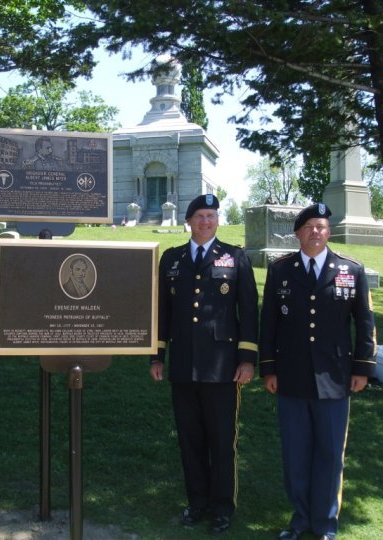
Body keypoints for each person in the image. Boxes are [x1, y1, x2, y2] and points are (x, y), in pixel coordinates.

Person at [259, 203, 376, 540]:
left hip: (335, 378)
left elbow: (365, 323)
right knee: (296, 454)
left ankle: (325, 524)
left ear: (329, 232)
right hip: (291, 376)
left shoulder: (350, 270)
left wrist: (363, 368)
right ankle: (300, 519)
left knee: (329, 455)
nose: (315, 232)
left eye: (321, 226)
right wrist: (269, 367)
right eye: (309, 226)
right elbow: (269, 323)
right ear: (297, 233)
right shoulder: (281, 270)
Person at [151, 194, 259, 534]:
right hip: (183, 365)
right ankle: (197, 503)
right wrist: (158, 355)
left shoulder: (235, 256)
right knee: (190, 440)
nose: (206, 221)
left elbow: (249, 312)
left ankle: (222, 508)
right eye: (199, 216)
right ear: (188, 221)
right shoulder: (172, 259)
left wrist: (247, 360)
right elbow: (162, 312)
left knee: (221, 441)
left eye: (211, 215)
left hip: (222, 367)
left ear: (217, 220)